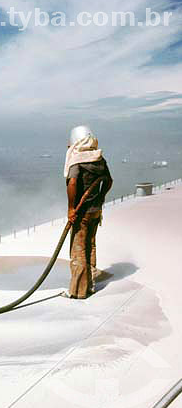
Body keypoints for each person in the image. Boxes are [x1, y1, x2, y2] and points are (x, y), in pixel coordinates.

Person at [63, 125, 113, 299]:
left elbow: (72, 183)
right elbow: (109, 181)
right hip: (95, 212)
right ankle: (90, 286)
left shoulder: (77, 159)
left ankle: (78, 291)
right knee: (90, 247)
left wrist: (71, 208)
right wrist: (100, 197)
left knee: (78, 251)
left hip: (81, 213)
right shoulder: (99, 158)